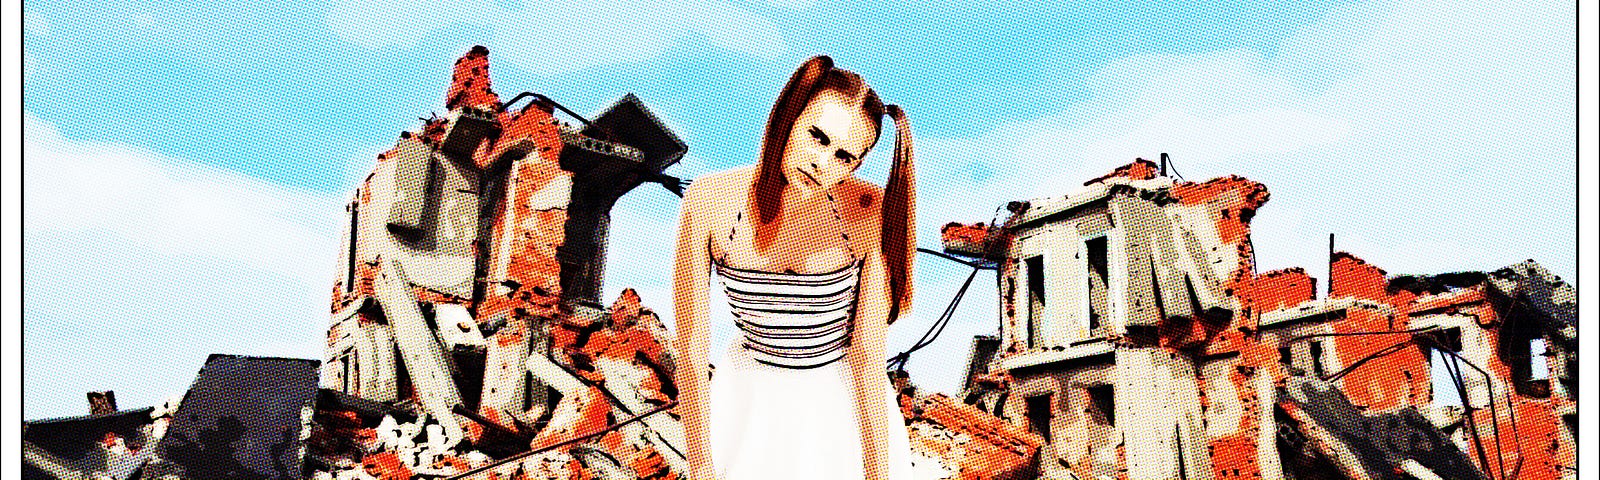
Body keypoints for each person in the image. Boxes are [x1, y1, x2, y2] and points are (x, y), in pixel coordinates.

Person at [671, 55, 917, 480]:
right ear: (789, 119)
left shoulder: (869, 210)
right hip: (747, 400)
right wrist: (701, 471)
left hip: (836, 403)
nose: (823, 163)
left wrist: (880, 472)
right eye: (817, 137)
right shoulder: (709, 199)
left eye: (844, 156)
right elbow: (692, 352)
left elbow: (866, 353)